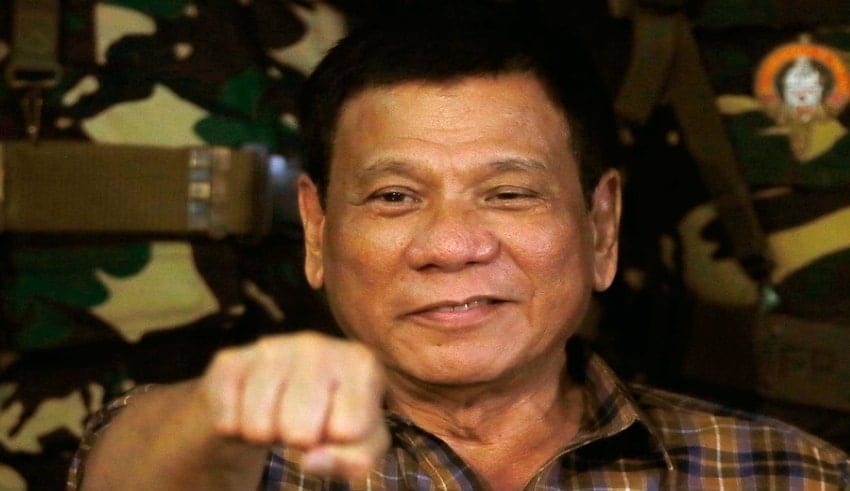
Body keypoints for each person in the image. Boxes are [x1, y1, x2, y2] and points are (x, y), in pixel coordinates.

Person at [68, 2, 850, 490]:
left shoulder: (787, 473)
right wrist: (224, 409)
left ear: (601, 226)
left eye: (508, 193)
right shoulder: (225, 453)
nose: (449, 244)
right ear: (318, 230)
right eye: (394, 196)